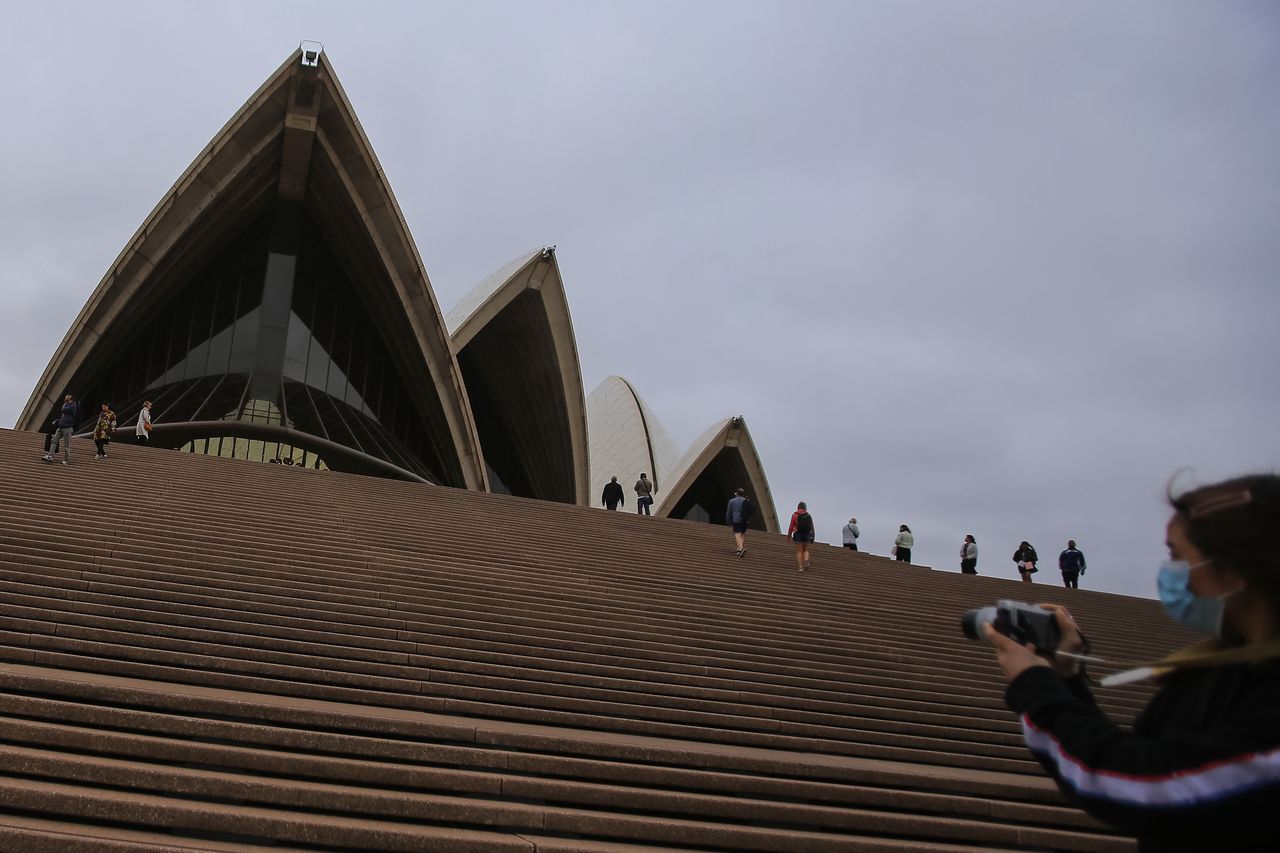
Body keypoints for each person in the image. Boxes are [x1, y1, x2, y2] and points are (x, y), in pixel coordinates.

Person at [983, 474, 1280, 851]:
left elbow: (1152, 785)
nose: (1169, 572)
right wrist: (1066, 679)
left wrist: (1036, 689)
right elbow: (1141, 755)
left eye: (1177, 556)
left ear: (1234, 569)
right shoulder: (1226, 669)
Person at [42, 394, 80, 465]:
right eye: (65, 400)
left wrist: (64, 404)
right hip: (61, 427)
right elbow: (64, 417)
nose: (65, 401)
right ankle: (50, 456)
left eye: (67, 400)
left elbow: (63, 410)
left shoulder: (73, 406)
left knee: (66, 445)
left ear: (71, 400)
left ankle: (66, 460)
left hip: (68, 428)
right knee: (54, 440)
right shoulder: (68, 406)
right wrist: (57, 421)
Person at [725, 488, 754, 557]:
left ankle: (741, 548)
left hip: (736, 520)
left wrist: (729, 521)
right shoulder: (746, 501)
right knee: (742, 534)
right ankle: (739, 549)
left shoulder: (732, 501)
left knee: (737, 534)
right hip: (745, 520)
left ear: (736, 494)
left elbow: (729, 512)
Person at [787, 501, 815, 571]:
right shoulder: (808, 515)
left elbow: (791, 527)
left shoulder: (794, 515)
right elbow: (812, 527)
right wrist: (813, 536)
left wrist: (789, 536)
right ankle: (806, 559)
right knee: (805, 550)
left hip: (798, 534)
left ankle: (800, 567)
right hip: (807, 534)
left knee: (799, 551)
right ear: (805, 507)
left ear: (798, 507)